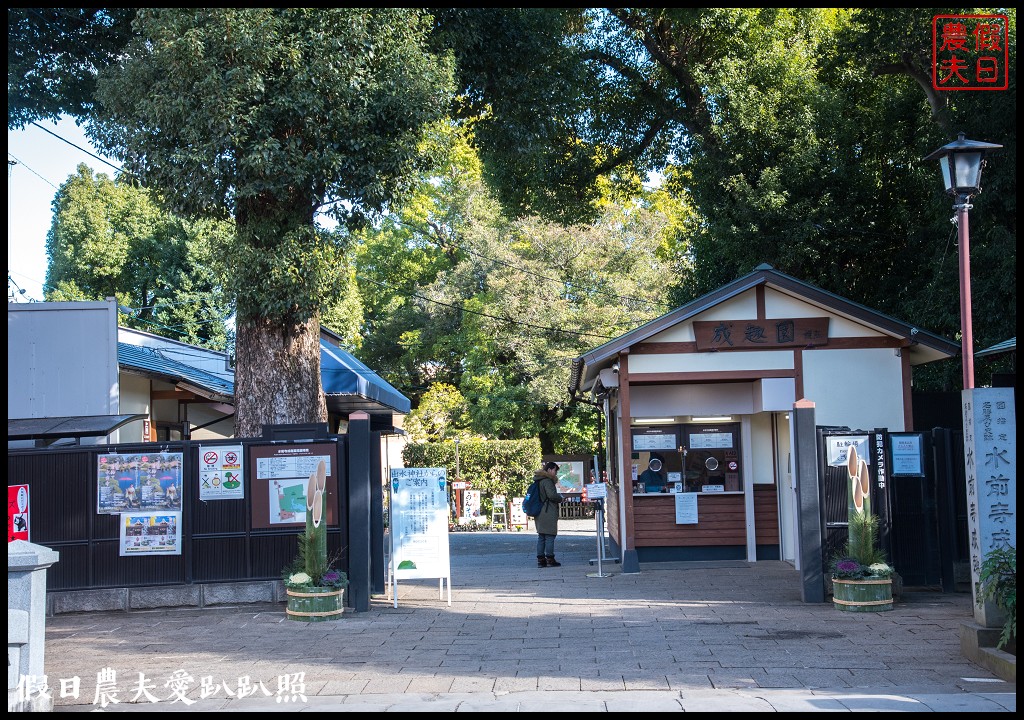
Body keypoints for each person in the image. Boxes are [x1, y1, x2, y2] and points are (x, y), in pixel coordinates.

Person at [534, 461, 564, 567]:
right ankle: (550, 559)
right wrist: (560, 498)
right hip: (548, 511)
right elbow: (552, 495)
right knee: (550, 536)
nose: (555, 473)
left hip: (539, 511)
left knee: (541, 536)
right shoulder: (547, 481)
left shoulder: (538, 480)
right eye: (555, 471)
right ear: (550, 470)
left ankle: (541, 560)